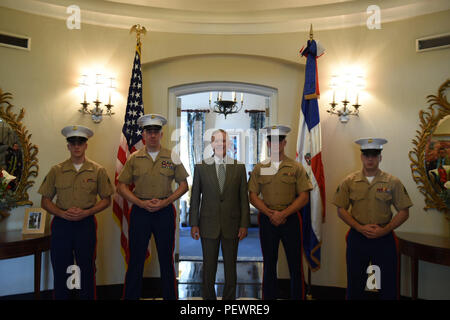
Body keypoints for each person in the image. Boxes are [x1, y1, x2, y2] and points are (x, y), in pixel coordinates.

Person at [117, 114, 189, 300]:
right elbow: (121, 185)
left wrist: (166, 202)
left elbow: (184, 185)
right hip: (140, 212)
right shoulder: (134, 158)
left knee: (166, 259)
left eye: (156, 132)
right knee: (136, 260)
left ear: (161, 134)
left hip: (164, 212)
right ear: (143, 135)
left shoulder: (172, 156)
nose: (153, 135)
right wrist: (140, 202)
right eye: (149, 132)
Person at [38, 125, 113, 299]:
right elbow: (45, 200)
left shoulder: (98, 170)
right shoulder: (56, 170)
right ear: (68, 146)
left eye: (80, 142)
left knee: (86, 268)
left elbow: (106, 200)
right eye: (73, 143)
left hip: (85, 224)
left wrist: (88, 213)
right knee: (61, 268)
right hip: (61, 225)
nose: (77, 146)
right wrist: (61, 213)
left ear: (86, 145)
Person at [333, 138, 413, 300]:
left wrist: (385, 230)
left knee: (387, 285)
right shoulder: (349, 182)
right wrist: (359, 227)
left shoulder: (393, 182)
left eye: (374, 155)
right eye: (367, 155)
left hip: (384, 239)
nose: (370, 159)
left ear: (380, 158)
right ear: (361, 157)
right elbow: (341, 209)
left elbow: (404, 211)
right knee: (355, 283)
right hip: (358, 238)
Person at [248, 125, 312, 300]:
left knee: (295, 265)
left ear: (285, 143)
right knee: (269, 264)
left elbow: (304, 197)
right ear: (268, 143)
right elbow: (252, 196)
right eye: (272, 141)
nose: (275, 145)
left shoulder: (296, 167)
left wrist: (283, 214)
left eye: (279, 141)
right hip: (268, 220)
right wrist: (270, 214)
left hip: (290, 219)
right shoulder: (260, 168)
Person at [189, 129, 250, 300]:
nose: (221, 144)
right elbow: (195, 198)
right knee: (209, 268)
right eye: (217, 141)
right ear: (212, 144)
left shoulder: (239, 168)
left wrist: (244, 224)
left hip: (232, 225)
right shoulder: (201, 167)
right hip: (208, 225)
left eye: (224, 141)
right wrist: (194, 223)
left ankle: (229, 300)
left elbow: (243, 199)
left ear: (228, 144)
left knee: (231, 268)